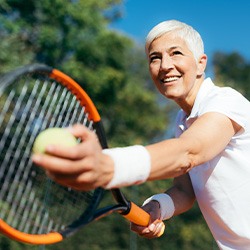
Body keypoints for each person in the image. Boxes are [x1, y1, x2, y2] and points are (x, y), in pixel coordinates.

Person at [32, 20, 250, 249]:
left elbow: (189, 152)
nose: (165, 65)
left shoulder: (226, 102)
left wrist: (108, 165)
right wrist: (157, 207)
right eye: (155, 58)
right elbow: (184, 190)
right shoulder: (182, 122)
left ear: (200, 63)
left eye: (175, 53)